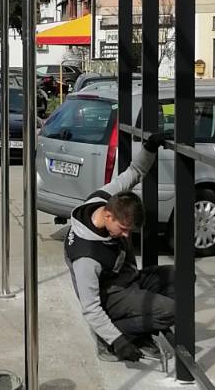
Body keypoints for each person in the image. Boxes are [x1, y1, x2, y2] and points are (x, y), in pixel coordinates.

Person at [64, 129, 173, 363]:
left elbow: (134, 172)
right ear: (109, 216)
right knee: (171, 311)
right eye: (123, 229)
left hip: (128, 279)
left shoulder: (104, 199)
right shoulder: (86, 257)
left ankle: (141, 330)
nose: (125, 235)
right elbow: (91, 308)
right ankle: (115, 336)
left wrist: (150, 148)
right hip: (110, 297)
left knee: (182, 278)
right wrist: (118, 342)